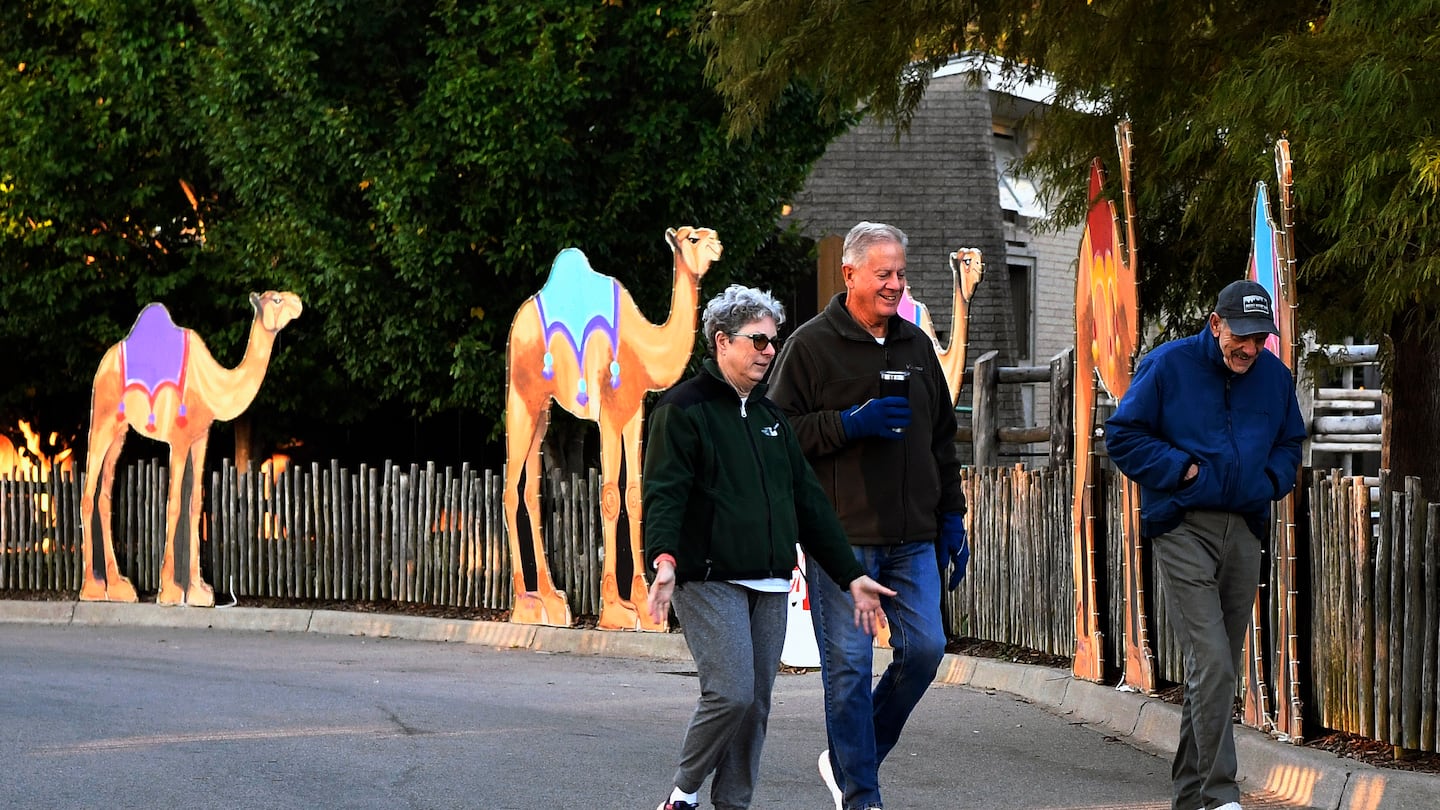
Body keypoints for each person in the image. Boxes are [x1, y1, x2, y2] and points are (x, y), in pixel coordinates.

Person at [644, 284, 896, 810]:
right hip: (709, 577)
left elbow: (808, 501)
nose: (768, 351)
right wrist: (663, 559)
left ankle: (732, 804)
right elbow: (665, 492)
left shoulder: (771, 418)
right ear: (722, 342)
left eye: (771, 341)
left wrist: (850, 573)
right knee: (730, 693)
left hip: (771, 580)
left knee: (755, 705)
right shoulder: (682, 409)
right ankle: (683, 796)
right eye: (757, 341)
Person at [766, 222, 969, 810]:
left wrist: (951, 515)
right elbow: (777, 432)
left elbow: (942, 440)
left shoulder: (916, 346)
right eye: (884, 274)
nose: (895, 284)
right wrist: (847, 424)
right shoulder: (810, 346)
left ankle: (852, 758)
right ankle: (863, 796)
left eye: (900, 273)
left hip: (913, 539)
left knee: (927, 650)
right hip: (842, 543)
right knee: (850, 672)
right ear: (850, 274)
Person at [1105, 279, 1306, 810]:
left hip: (1244, 528)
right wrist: (1182, 470)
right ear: (1215, 324)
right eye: (1241, 334)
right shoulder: (1168, 365)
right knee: (1214, 661)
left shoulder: (1275, 378)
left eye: (1260, 337)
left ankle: (1190, 798)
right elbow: (1122, 435)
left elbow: (1290, 441)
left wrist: (1270, 482)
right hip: (1182, 524)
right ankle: (1220, 795)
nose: (1250, 347)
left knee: (1216, 671)